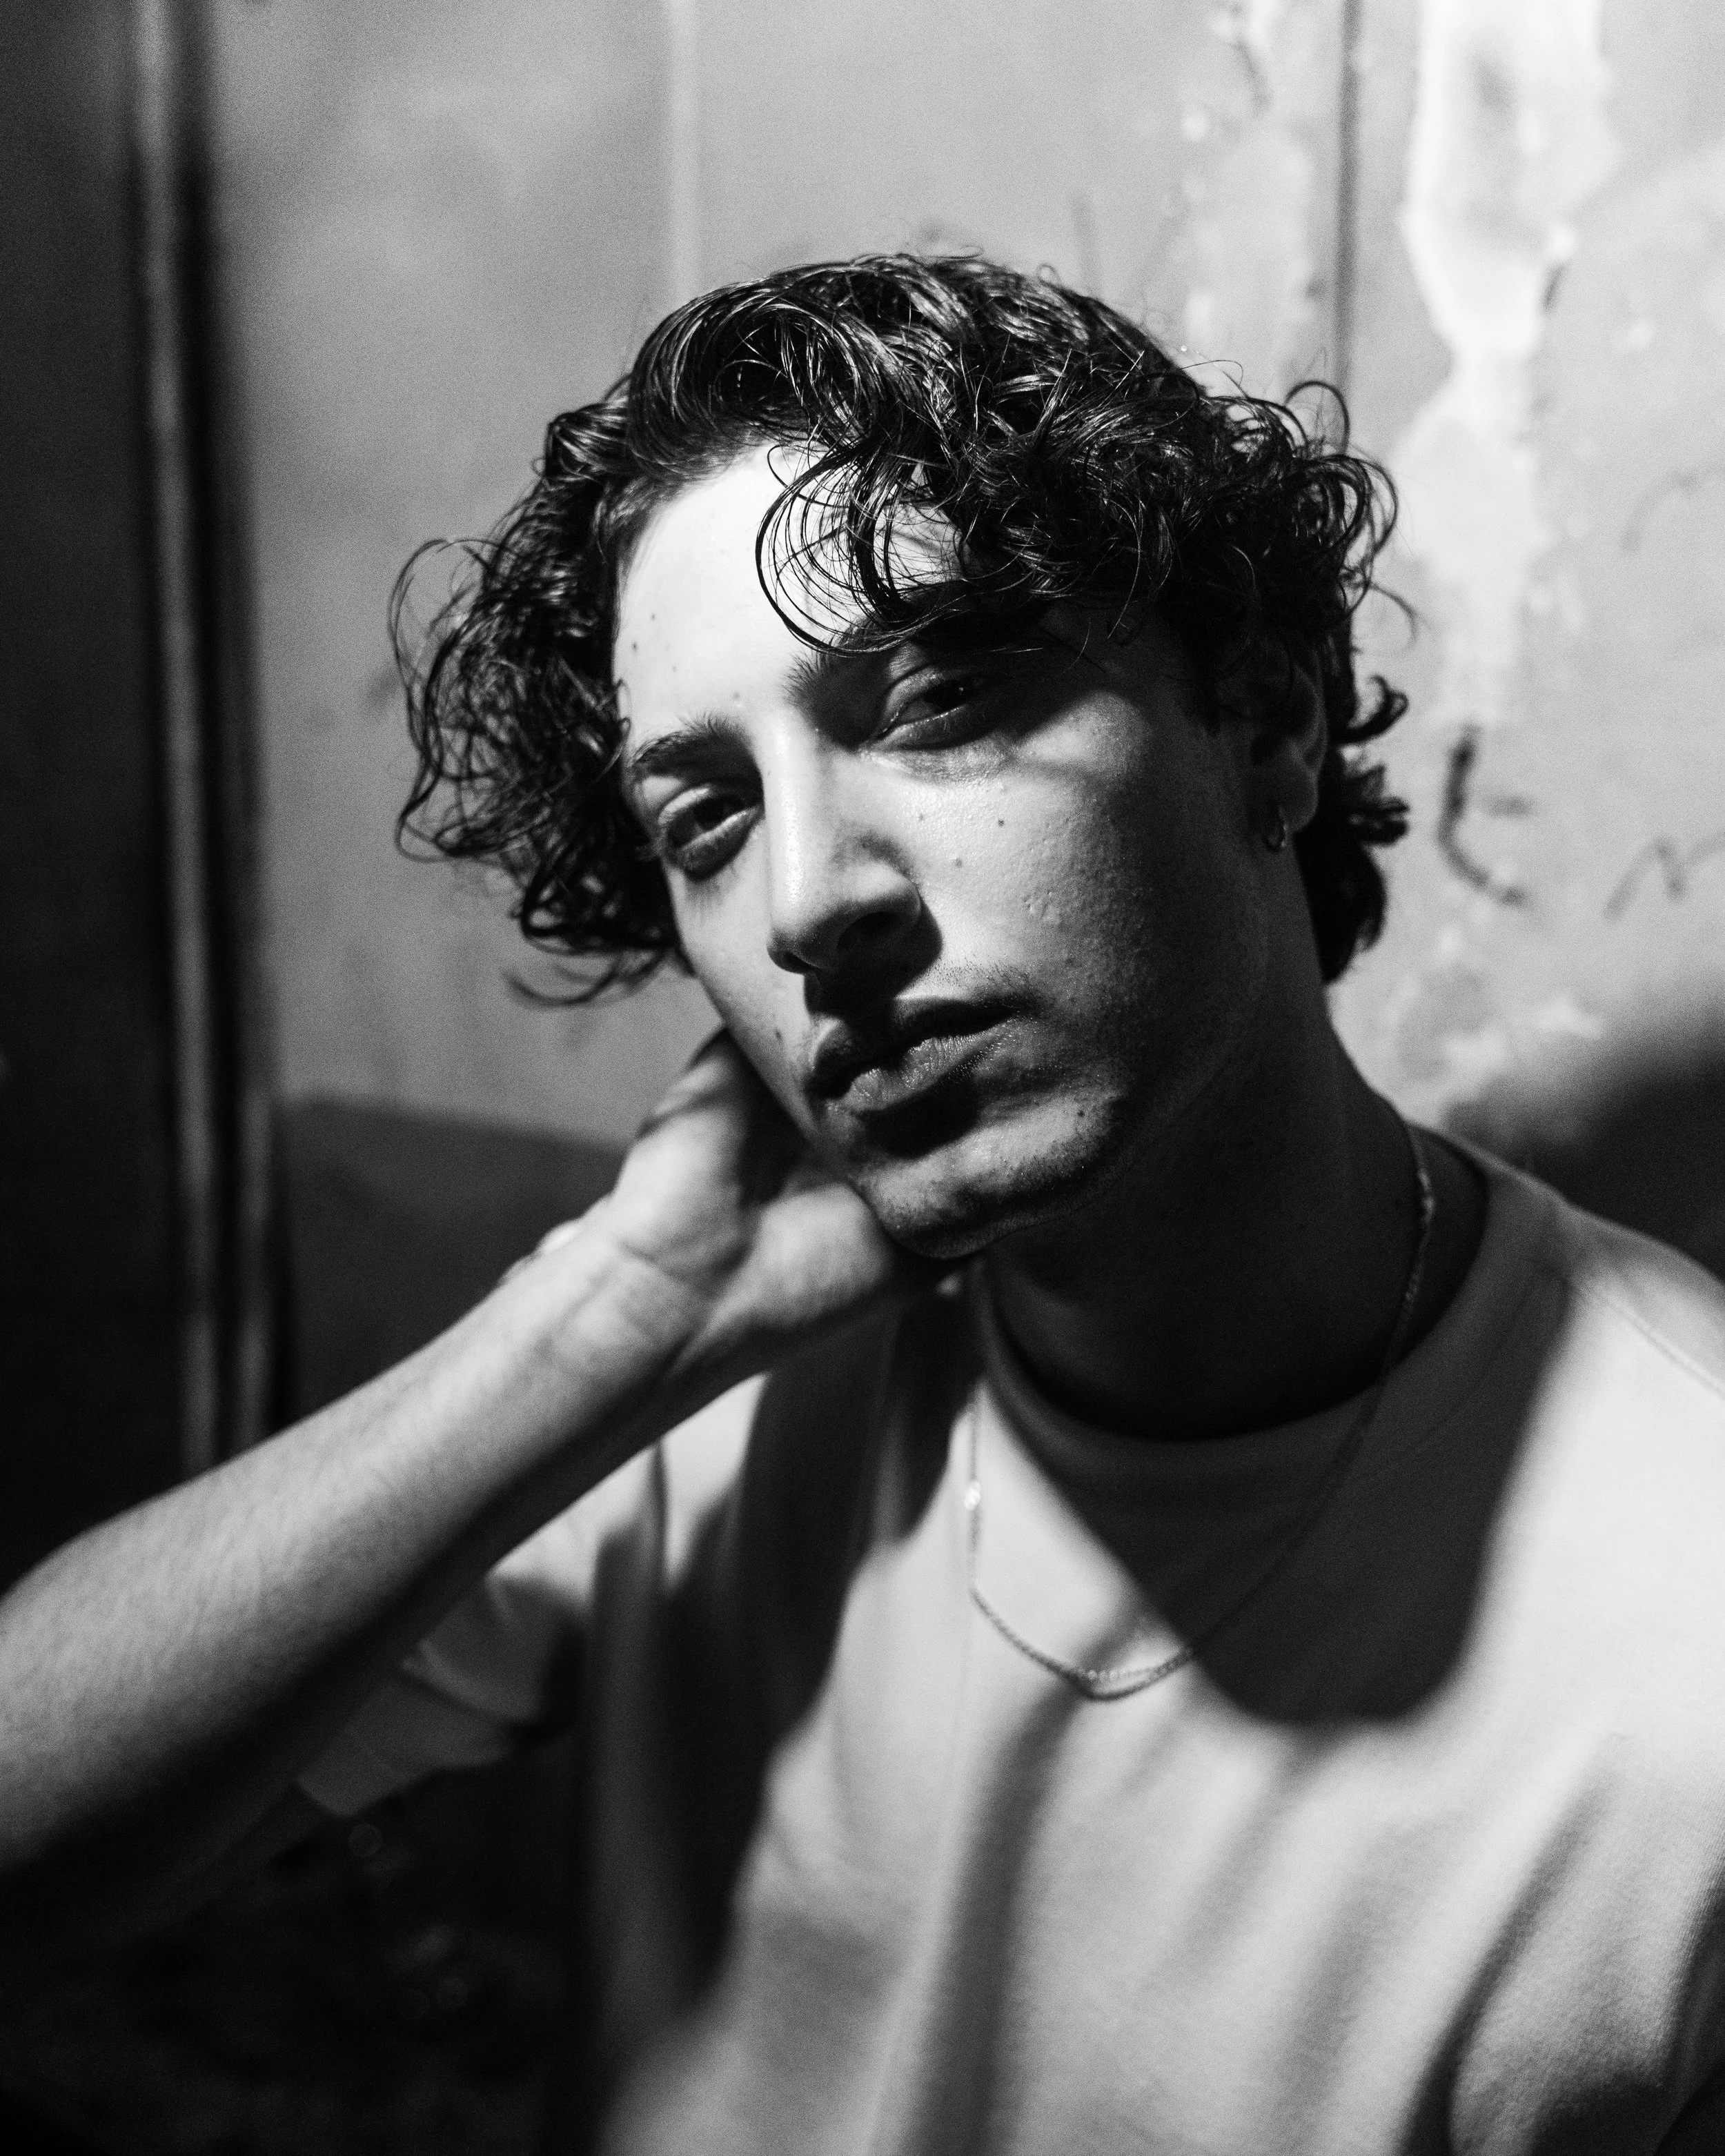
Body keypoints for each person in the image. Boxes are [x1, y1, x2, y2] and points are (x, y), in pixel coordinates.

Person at [3, 255, 1725, 2153]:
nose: (815, 902)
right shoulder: (707, 1387)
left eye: (929, 696)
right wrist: (608, 1320)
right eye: (708, 817)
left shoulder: (1678, 1574)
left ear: (1269, 719)